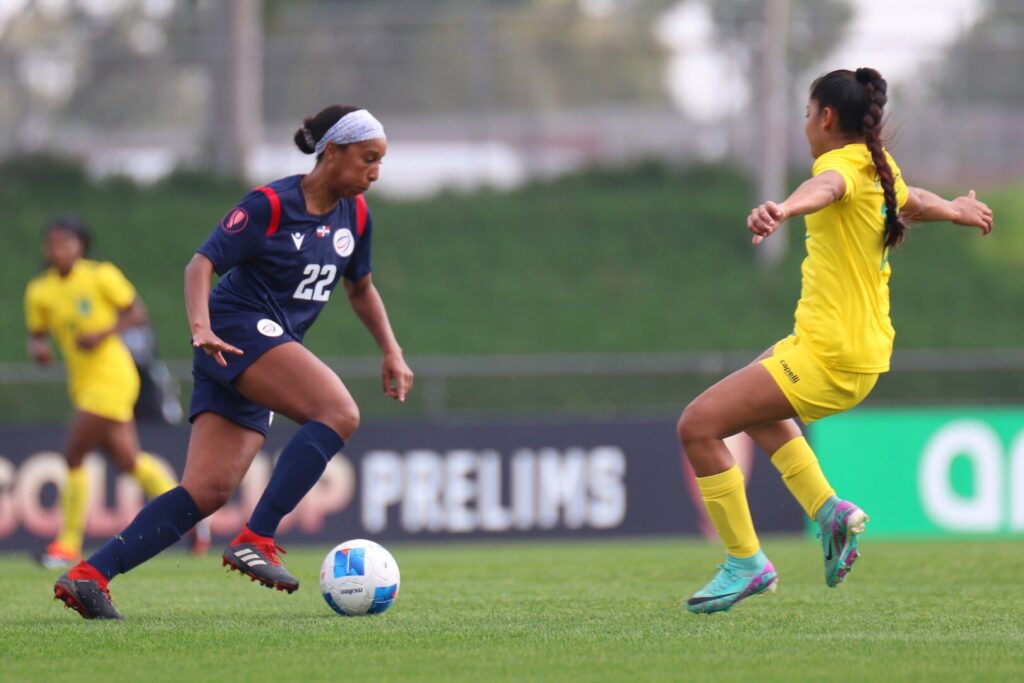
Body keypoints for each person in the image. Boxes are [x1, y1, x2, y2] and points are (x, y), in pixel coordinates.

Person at [53, 105, 414, 620]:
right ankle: (257, 537)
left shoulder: (355, 216)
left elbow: (361, 289)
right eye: (367, 159)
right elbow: (201, 264)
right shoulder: (270, 204)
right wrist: (200, 327)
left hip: (258, 342)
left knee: (208, 490)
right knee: (338, 412)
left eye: (380, 161)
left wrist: (391, 350)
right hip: (235, 327)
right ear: (330, 152)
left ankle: (90, 575)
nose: (375, 172)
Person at [677, 68, 993, 614]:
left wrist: (783, 208)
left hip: (829, 355)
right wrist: (953, 209)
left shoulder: (838, 168)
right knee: (753, 398)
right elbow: (906, 198)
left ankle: (745, 563)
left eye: (806, 114)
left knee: (698, 426)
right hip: (856, 351)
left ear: (826, 118)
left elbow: (824, 189)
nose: (805, 125)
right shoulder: (879, 168)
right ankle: (828, 512)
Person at [24, 217, 211, 569]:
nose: (58, 250)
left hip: (112, 375)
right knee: (128, 460)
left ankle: (67, 545)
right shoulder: (40, 290)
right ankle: (192, 515)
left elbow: (137, 313)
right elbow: (36, 334)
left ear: (80, 246)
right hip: (82, 383)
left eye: (66, 243)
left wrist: (102, 333)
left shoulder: (100, 275)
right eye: (52, 244)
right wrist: (39, 349)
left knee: (74, 453)